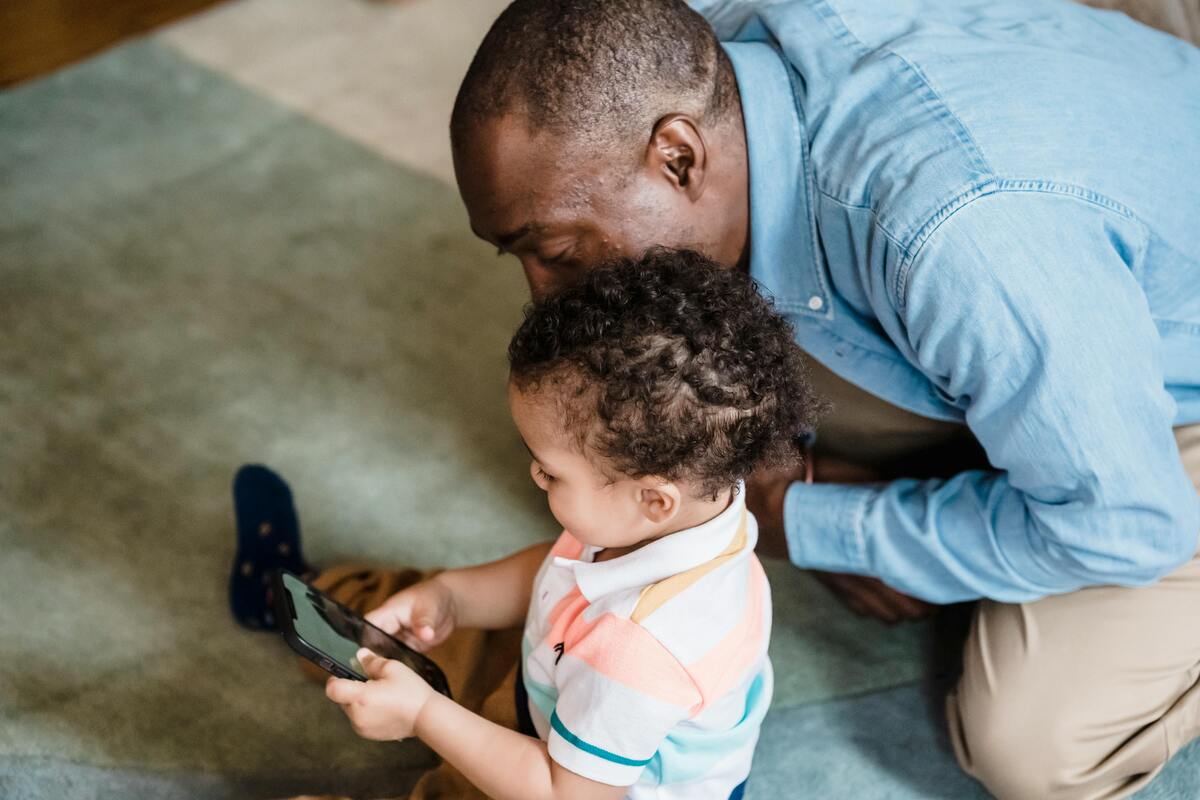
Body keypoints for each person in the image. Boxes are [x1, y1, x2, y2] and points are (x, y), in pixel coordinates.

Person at [441, 1, 1200, 798]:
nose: (542, 296)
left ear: (677, 156)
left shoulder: (961, 245)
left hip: (1158, 382)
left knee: (1031, 743)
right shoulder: (680, 42)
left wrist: (803, 517)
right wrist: (771, 464)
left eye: (556, 252)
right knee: (591, 444)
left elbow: (1124, 525)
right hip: (1064, 219)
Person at [234, 251, 821, 799]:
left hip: (563, 780)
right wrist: (451, 597)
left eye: (551, 472)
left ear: (653, 499)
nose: (535, 476)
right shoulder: (689, 504)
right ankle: (299, 598)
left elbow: (565, 791)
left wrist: (422, 717)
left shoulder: (640, 650)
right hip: (550, 679)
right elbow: (558, 569)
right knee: (384, 618)